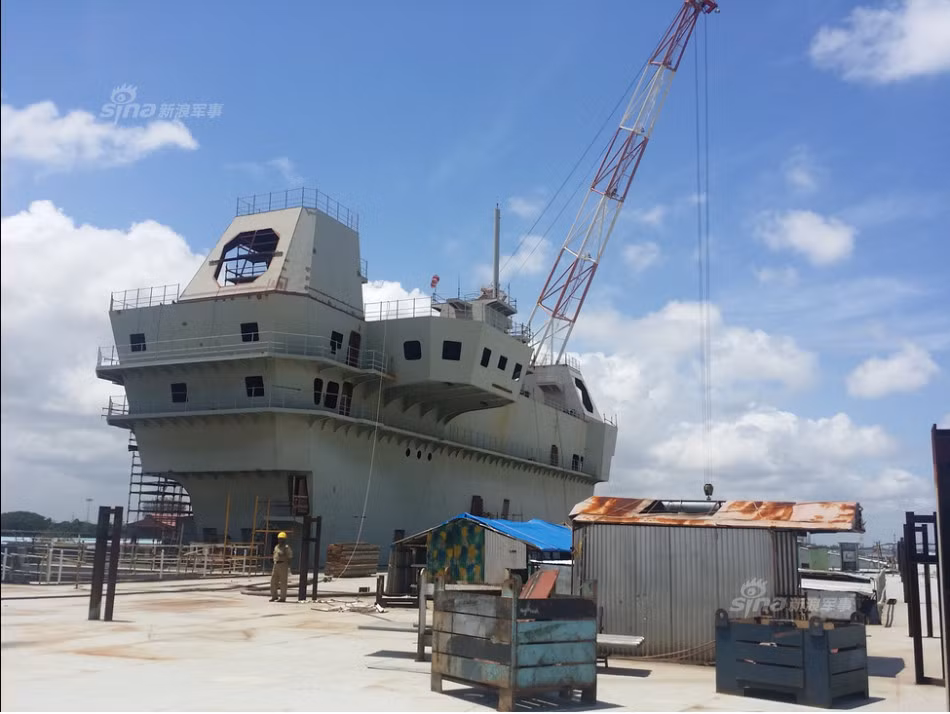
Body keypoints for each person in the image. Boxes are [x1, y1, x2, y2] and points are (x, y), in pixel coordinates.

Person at [270, 531, 293, 602]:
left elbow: (290, 557)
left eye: (282, 539)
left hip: (283, 565)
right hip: (276, 564)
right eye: (279, 538)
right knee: (273, 581)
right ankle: (274, 596)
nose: (280, 540)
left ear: (284, 539)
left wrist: (288, 566)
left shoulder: (286, 547)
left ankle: (282, 598)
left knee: (283, 582)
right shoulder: (276, 547)